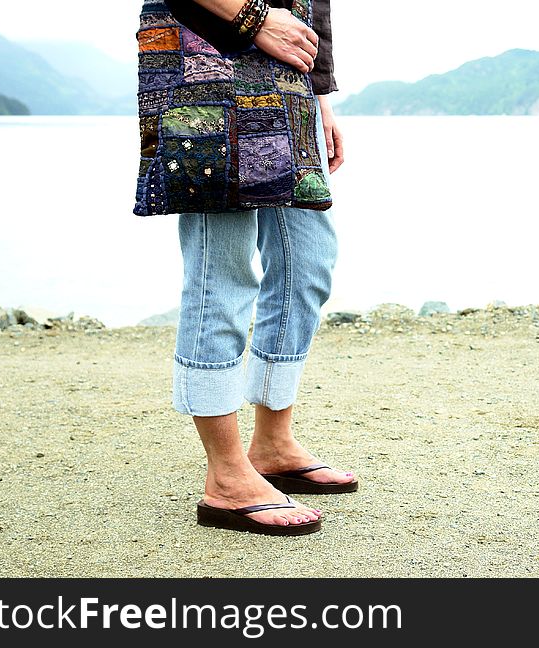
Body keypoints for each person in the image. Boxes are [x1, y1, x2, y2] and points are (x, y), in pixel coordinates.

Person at [168, 0, 355, 536]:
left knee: (307, 264)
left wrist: (318, 91)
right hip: (209, 62)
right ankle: (226, 477)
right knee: (221, 269)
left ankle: (272, 444)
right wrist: (252, 17)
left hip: (288, 82)